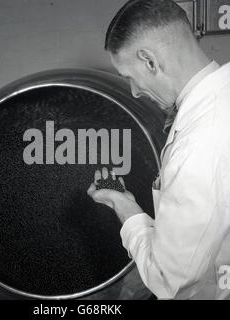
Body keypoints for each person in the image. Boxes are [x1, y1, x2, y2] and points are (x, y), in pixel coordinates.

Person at [87, 0, 230, 299]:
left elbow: (169, 279)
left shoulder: (196, 146)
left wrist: (125, 209)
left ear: (150, 61)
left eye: (129, 76)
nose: (135, 91)